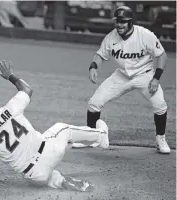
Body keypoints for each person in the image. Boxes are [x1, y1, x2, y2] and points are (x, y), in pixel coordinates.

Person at [0, 60, 109, 194]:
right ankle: (101, 137)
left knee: (44, 174)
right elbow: (27, 89)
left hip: (36, 175)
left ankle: (60, 181)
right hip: (51, 152)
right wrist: (10, 76)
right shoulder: (9, 109)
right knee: (63, 128)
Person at [73, 6, 170, 154]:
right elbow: (100, 56)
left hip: (145, 75)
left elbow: (162, 56)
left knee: (160, 105)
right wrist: (93, 67)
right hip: (122, 76)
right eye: (118, 21)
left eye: (123, 21)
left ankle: (160, 139)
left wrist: (156, 78)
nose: (119, 24)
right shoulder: (111, 37)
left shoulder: (145, 35)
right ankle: (91, 137)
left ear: (131, 22)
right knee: (94, 103)